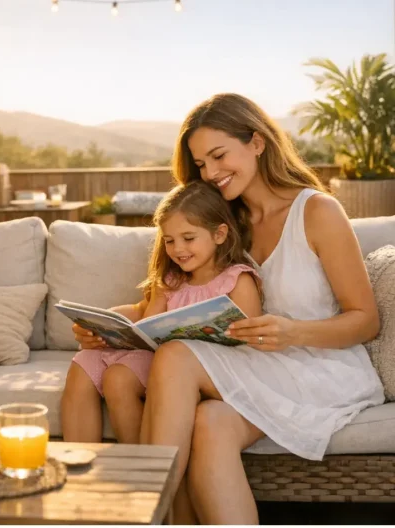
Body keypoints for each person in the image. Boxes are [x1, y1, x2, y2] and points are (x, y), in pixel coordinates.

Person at [135, 93, 384, 524]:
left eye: (219, 156)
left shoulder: (317, 211)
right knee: (210, 421)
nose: (210, 173)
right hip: (260, 366)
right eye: (201, 164)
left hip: (321, 368)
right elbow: (171, 291)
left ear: (256, 142)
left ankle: (145, 516)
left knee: (174, 357)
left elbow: (366, 320)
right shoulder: (223, 223)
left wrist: (293, 332)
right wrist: (110, 322)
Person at [62, 181, 261, 444]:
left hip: (209, 369)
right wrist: (99, 324)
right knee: (89, 361)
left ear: (219, 234)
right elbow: (146, 323)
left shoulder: (237, 280)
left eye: (188, 238)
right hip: (159, 358)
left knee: (119, 378)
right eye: (169, 241)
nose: (178, 249)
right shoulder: (170, 280)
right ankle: (82, 459)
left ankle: (146, 463)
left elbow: (252, 343)